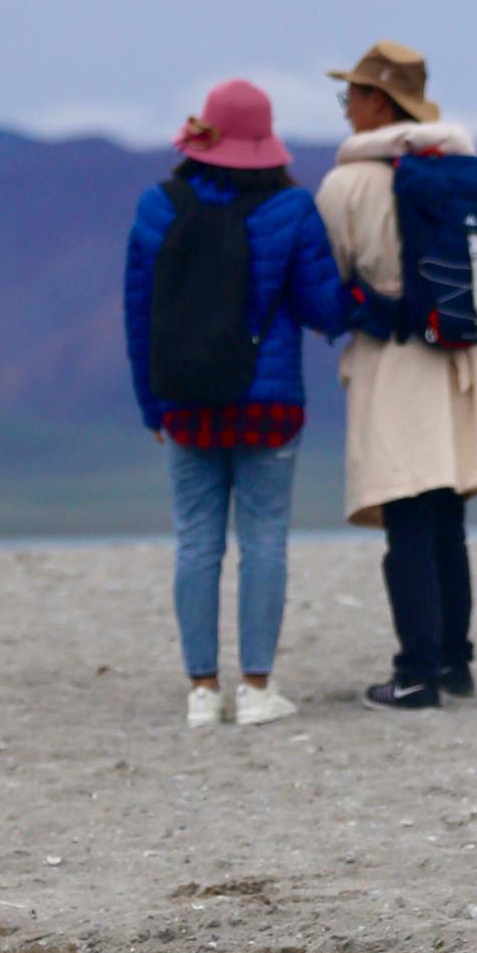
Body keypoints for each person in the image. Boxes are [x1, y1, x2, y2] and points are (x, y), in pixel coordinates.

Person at [125, 79, 351, 728]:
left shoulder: (155, 207)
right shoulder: (290, 209)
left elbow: (139, 319)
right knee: (264, 542)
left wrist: (152, 407)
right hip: (268, 407)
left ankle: (202, 691)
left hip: (185, 403)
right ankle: (256, 689)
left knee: (196, 543)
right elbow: (322, 309)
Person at [315, 43, 477, 710]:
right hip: (465, 360)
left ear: (379, 102)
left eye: (353, 97)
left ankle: (415, 671)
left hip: (397, 361)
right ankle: (455, 662)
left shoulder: (348, 185)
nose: (346, 109)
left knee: (408, 519)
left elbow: (329, 273)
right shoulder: (463, 170)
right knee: (447, 512)